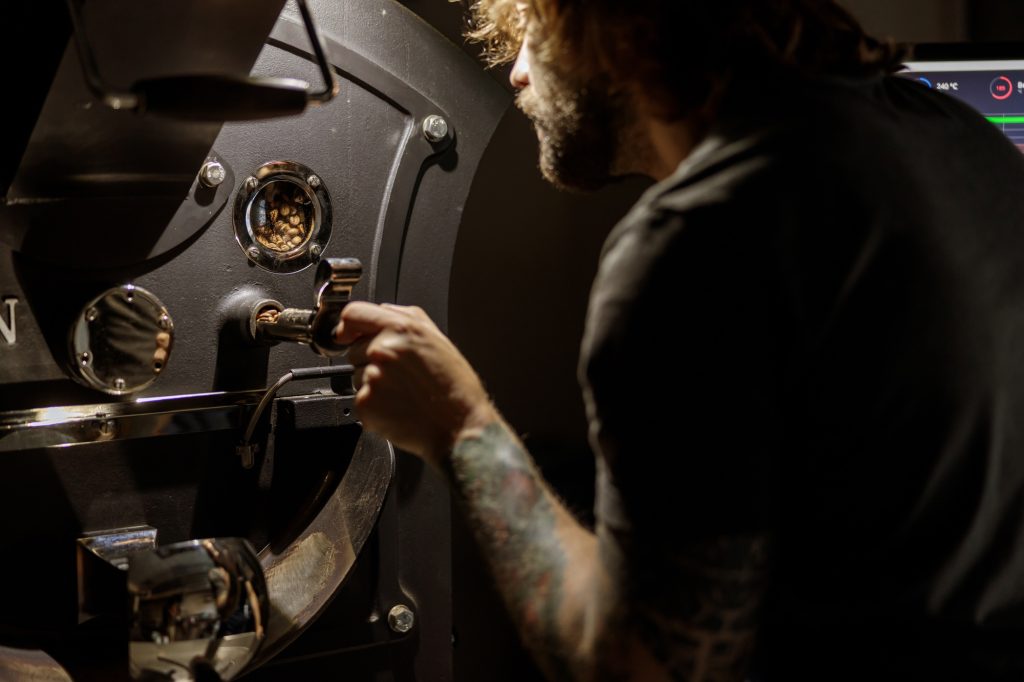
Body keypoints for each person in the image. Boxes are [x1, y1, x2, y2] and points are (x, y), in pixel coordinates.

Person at [334, 1, 1024, 679]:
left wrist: (460, 427)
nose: (516, 73)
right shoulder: (962, 135)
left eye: (531, 32)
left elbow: (638, 666)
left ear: (612, 25)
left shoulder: (702, 238)